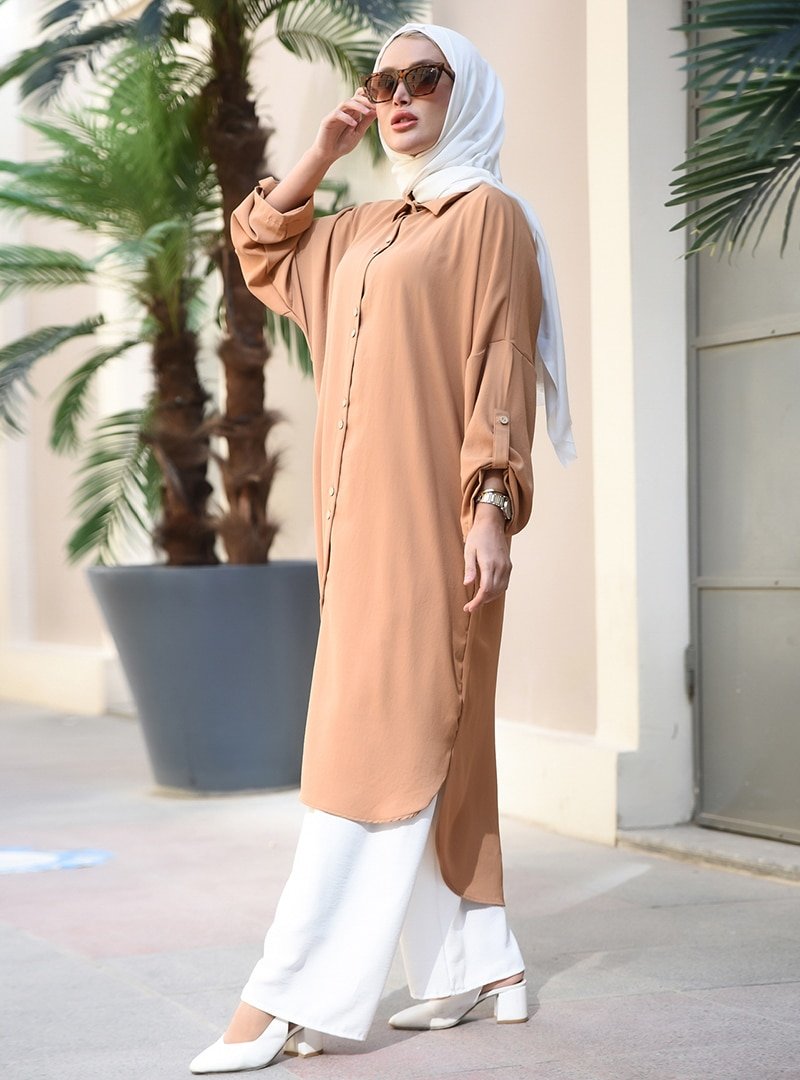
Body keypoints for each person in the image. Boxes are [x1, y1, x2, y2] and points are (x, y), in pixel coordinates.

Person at [189, 21, 575, 1075]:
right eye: (384, 80)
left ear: (465, 93)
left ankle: (286, 993)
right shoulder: (358, 229)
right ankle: (476, 964)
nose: (399, 95)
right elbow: (260, 249)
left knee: (368, 747)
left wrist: (490, 503)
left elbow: (501, 358)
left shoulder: (487, 216)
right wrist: (320, 151)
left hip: (436, 529)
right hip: (353, 534)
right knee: (432, 737)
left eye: (424, 78)